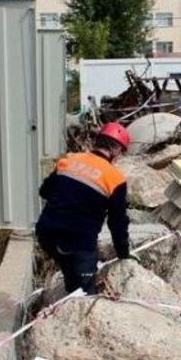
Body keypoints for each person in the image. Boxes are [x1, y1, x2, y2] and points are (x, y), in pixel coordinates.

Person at [35, 122, 134, 294]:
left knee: (69, 269)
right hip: (78, 243)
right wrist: (123, 253)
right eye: (121, 151)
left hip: (46, 234)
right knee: (84, 294)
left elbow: (44, 191)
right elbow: (117, 223)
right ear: (116, 148)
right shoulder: (115, 179)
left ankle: (70, 287)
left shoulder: (69, 160)